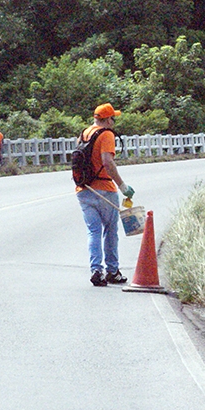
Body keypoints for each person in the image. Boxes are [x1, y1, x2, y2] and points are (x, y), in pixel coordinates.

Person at [75, 103, 135, 287]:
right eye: (112, 118)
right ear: (108, 119)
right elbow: (107, 162)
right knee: (110, 231)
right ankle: (112, 271)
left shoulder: (84, 133)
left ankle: (96, 270)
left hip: (84, 189)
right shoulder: (106, 135)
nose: (113, 122)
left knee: (93, 231)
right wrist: (123, 186)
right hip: (104, 190)